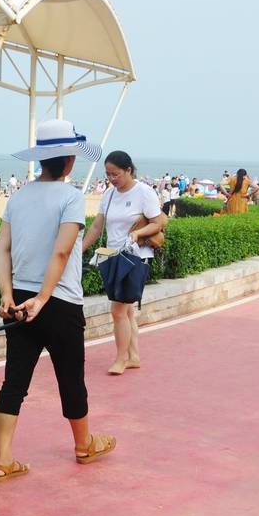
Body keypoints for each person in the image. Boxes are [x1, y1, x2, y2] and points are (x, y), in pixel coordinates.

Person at [0, 118, 117, 482]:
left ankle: (3, 460)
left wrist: (7, 294)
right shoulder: (71, 196)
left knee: (14, 380)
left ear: (41, 159)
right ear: (69, 162)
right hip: (58, 301)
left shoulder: (18, 197)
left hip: (19, 301)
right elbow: (62, 253)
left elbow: (2, 249)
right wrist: (45, 298)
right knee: (70, 377)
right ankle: (84, 446)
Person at [83, 150, 166, 376]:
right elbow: (97, 227)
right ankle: (134, 356)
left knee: (118, 310)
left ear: (129, 170)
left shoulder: (144, 192)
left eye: (116, 174)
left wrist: (138, 234)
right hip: (111, 256)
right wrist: (79, 248)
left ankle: (120, 359)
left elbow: (157, 223)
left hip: (135, 258)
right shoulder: (109, 195)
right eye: (108, 174)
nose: (112, 179)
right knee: (127, 311)